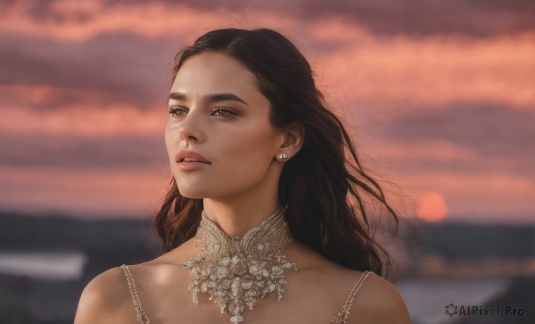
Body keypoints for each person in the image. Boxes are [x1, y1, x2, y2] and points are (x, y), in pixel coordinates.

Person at [74, 28, 412, 324]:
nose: (187, 130)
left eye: (223, 111)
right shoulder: (117, 299)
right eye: (178, 110)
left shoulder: (366, 305)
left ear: (288, 139)